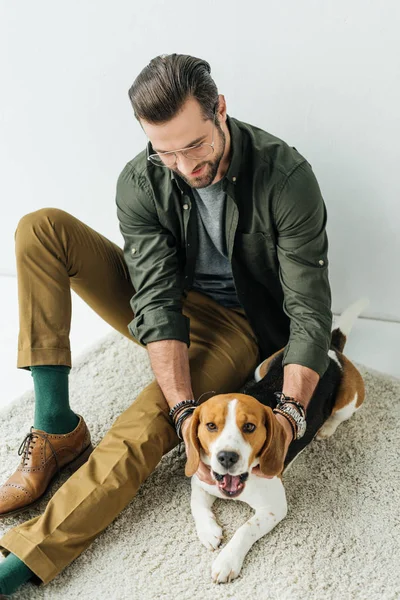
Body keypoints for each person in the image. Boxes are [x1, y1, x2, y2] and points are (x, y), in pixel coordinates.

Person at [0, 52, 332, 596]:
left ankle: (24, 558)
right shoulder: (142, 177)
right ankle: (56, 428)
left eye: (195, 145)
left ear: (219, 111)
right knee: (41, 229)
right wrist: (184, 406)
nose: (183, 165)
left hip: (237, 323)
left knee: (146, 420)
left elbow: (310, 311)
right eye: (165, 151)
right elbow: (154, 300)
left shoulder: (286, 178)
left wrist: (290, 410)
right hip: (169, 300)